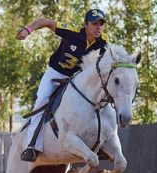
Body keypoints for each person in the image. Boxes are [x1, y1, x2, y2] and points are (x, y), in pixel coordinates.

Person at [17, 8, 110, 162]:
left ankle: (99, 144)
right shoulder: (73, 32)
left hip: (77, 79)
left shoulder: (104, 42)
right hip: (55, 74)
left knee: (98, 100)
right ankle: (32, 146)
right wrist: (28, 30)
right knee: (42, 100)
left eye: (101, 24)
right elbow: (46, 21)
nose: (98, 27)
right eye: (94, 24)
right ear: (86, 25)